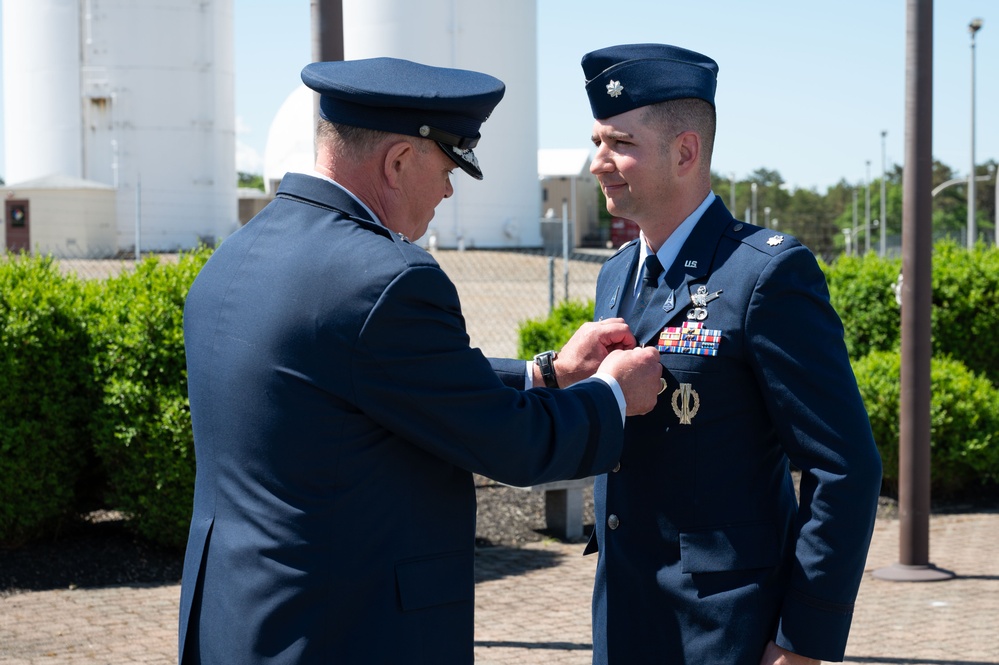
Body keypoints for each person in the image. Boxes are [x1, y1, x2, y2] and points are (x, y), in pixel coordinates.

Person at [177, 56, 662, 664]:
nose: (449, 189)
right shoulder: (386, 279)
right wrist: (615, 394)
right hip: (346, 631)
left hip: (238, 620)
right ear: (399, 160)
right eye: (448, 165)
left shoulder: (238, 255)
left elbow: (362, 381)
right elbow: (514, 444)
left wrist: (545, 373)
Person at [579, 44, 883, 665]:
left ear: (686, 151)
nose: (598, 163)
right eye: (597, 142)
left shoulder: (766, 273)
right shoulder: (617, 274)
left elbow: (844, 467)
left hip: (726, 626)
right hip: (625, 615)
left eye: (619, 143)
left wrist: (804, 640)